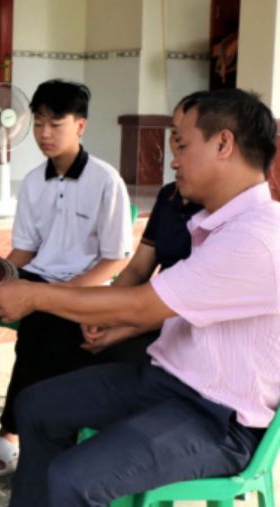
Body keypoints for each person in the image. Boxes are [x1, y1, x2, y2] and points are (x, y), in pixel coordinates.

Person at [0, 88, 280, 507]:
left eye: (181, 142)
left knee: (73, 478)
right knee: (35, 404)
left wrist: (34, 296)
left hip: (219, 418)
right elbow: (156, 301)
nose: (173, 159)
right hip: (169, 380)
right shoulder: (218, 225)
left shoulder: (255, 238)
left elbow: (144, 303)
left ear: (223, 144)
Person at [0, 79, 133, 477]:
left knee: (42, 326)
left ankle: (11, 433)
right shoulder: (32, 181)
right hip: (37, 275)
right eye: (40, 123)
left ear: (80, 125)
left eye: (55, 124)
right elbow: (25, 250)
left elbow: (115, 259)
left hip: (87, 283)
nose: (44, 134)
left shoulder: (105, 180)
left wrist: (57, 294)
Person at [80, 92, 205, 359]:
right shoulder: (169, 196)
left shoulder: (223, 212)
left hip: (187, 331)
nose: (175, 147)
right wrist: (102, 312)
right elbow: (137, 269)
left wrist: (127, 328)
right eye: (174, 134)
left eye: (185, 139)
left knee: (117, 358)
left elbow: (190, 303)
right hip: (155, 314)